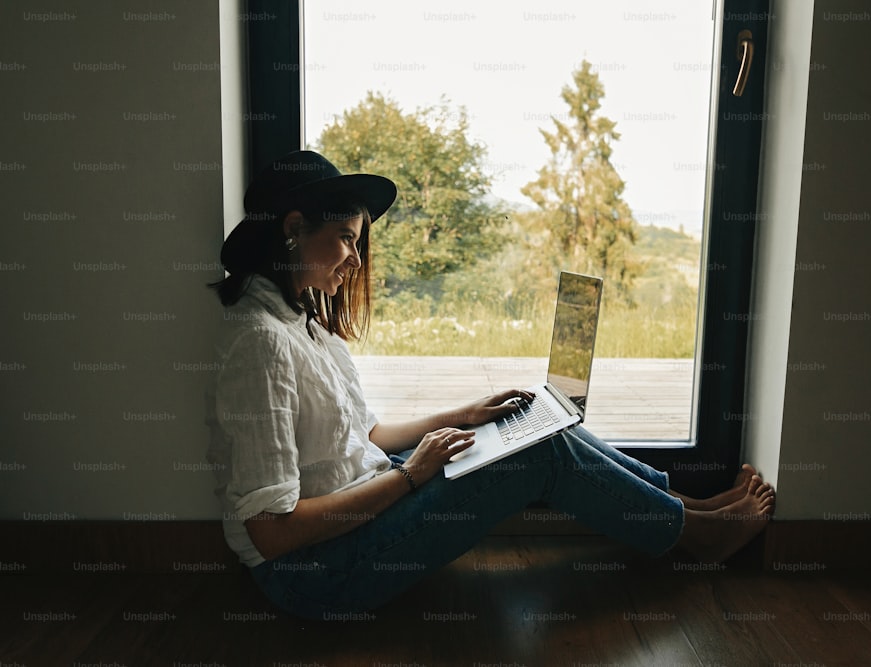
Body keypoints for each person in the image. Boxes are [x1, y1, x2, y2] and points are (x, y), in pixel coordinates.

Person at [206, 150, 775, 621]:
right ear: (293, 230)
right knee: (540, 452)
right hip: (313, 576)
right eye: (346, 239)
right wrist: (412, 475)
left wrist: (467, 413)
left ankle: (684, 506)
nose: (355, 259)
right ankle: (700, 538)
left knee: (530, 420)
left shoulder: (302, 321)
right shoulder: (260, 342)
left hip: (360, 508)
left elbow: (369, 433)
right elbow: (274, 533)